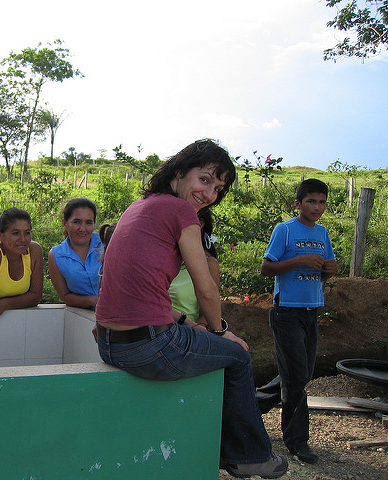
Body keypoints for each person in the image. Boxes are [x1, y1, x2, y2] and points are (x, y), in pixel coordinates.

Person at [95, 139, 287, 479]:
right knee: (238, 355)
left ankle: (219, 447)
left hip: (110, 344)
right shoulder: (181, 212)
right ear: (180, 172)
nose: (210, 193)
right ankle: (250, 455)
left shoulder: (139, 206)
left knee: (208, 345)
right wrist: (220, 330)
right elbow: (206, 289)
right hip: (149, 347)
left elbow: (141, 292)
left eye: (218, 187)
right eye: (205, 179)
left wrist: (188, 322)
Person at [260, 178, 337, 464]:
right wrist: (299, 260)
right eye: (311, 201)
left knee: (298, 373)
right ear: (298, 203)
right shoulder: (285, 230)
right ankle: (297, 441)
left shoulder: (323, 232)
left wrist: (330, 269)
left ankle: (253, 404)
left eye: (322, 202)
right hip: (287, 311)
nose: (317, 207)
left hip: (311, 310)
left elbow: (324, 273)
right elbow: (267, 267)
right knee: (297, 378)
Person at [48, 198, 102, 309]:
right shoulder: (56, 255)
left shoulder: (106, 243)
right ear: (65, 223)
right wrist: (92, 300)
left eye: (88, 223)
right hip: (85, 318)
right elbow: (66, 296)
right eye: (76, 222)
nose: (83, 229)